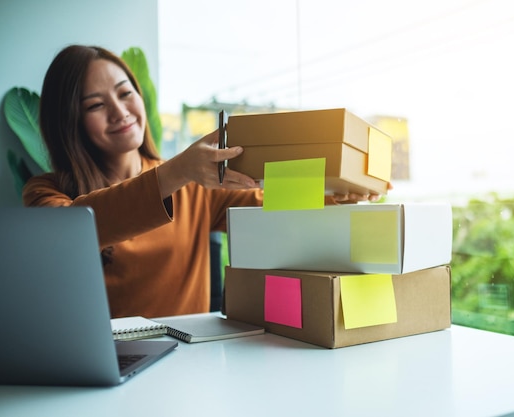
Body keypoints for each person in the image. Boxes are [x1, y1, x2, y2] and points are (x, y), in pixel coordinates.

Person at [23, 44, 383, 319]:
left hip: (183, 361)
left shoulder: (196, 185)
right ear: (69, 120)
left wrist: (337, 194)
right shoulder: (46, 192)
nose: (120, 112)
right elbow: (71, 229)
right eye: (95, 105)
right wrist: (175, 173)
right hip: (99, 364)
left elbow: (270, 205)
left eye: (124, 92)